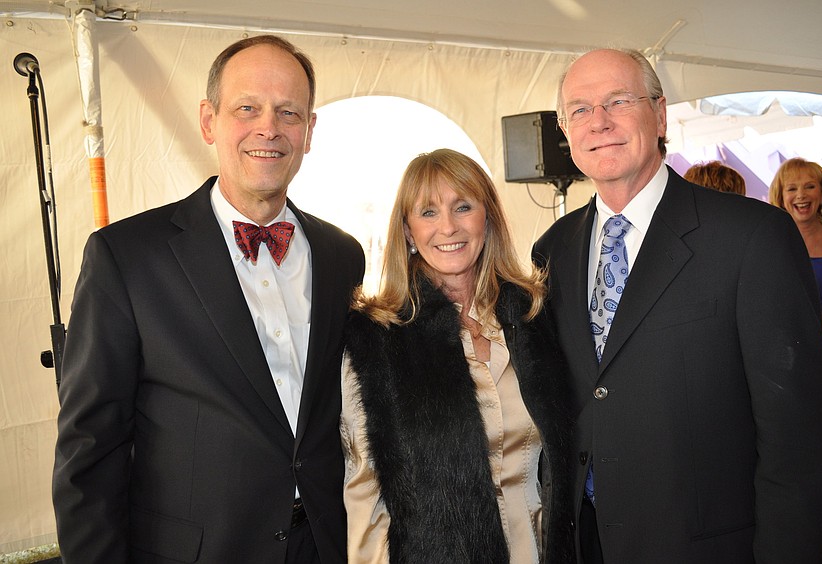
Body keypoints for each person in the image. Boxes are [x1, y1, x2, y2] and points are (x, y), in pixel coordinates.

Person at [52, 35, 365, 563]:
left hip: (326, 546)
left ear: (309, 132)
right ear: (208, 120)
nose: (269, 127)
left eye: (289, 112)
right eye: (248, 108)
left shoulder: (342, 256)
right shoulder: (126, 257)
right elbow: (91, 449)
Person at [532, 48, 822, 563]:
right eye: (579, 110)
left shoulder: (751, 238)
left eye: (618, 101)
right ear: (564, 129)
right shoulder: (553, 250)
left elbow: (799, 445)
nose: (598, 122)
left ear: (660, 112)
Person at [340, 148, 573, 563]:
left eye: (463, 206)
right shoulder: (375, 341)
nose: (448, 227)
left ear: (488, 218)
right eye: (428, 212)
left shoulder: (533, 317)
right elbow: (365, 499)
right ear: (408, 232)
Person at [769, 156, 822, 420]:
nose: (801, 195)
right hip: (789, 358)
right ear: (780, 197)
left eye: (810, 186)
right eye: (792, 188)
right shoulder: (768, 245)